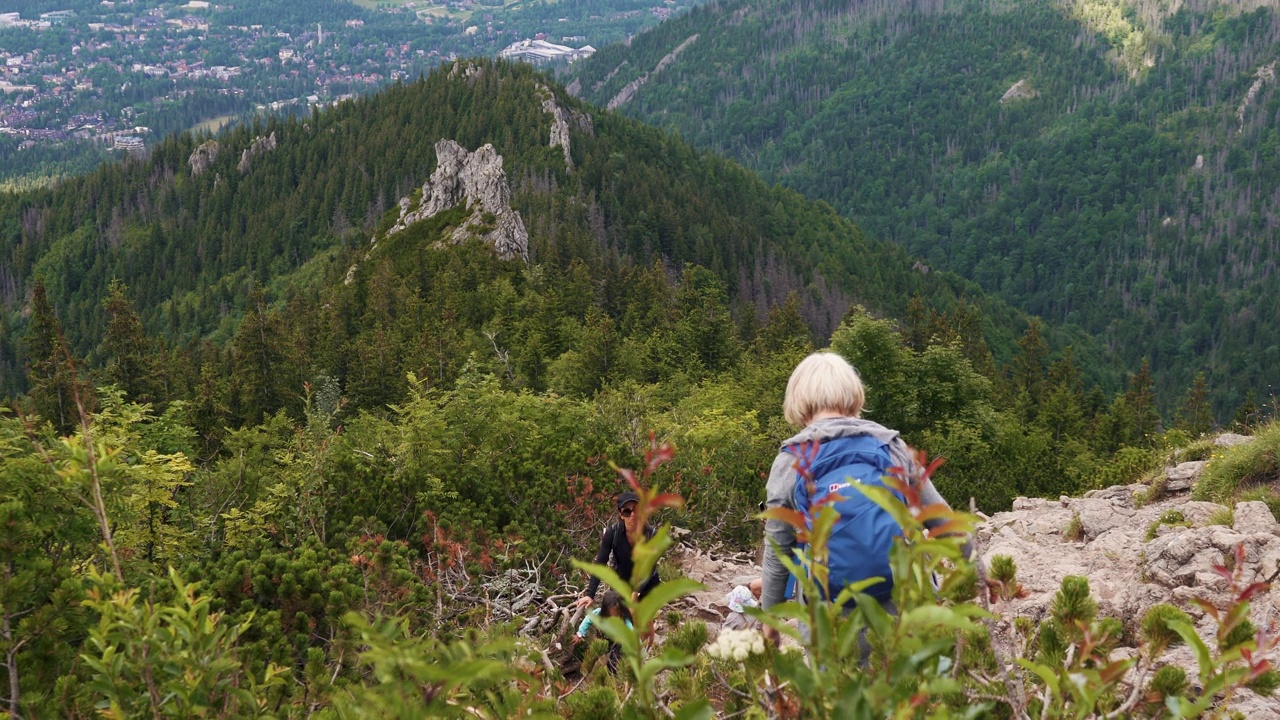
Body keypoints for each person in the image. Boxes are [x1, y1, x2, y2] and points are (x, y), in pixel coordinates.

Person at [760, 352, 964, 635]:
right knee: (916, 676)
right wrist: (984, 576)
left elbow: (778, 552)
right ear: (854, 394)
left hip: (831, 621)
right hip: (907, 608)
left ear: (798, 401)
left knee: (836, 679)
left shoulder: (791, 461)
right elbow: (942, 521)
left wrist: (769, 624)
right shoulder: (891, 447)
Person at [574, 491, 660, 609]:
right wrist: (590, 594)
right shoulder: (612, 534)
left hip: (647, 585)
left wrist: (636, 593)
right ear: (621, 514)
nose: (632, 515)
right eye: (627, 511)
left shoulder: (652, 535)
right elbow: (600, 563)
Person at [572, 589, 633, 672]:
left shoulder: (625, 621)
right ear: (605, 611)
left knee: (613, 660)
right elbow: (588, 619)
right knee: (595, 655)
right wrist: (580, 633)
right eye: (611, 615)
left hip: (619, 641)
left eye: (617, 614)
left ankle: (613, 676)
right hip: (606, 638)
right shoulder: (599, 613)